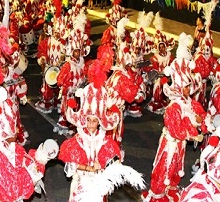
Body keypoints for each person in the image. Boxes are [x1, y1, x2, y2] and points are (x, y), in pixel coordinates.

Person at [59, 58, 145, 202]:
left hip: (98, 188)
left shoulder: (105, 140)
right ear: (83, 120)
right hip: (81, 187)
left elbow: (112, 162)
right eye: (88, 120)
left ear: (100, 122)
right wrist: (89, 168)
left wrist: (110, 169)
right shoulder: (77, 141)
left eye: (95, 121)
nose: (91, 125)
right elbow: (70, 167)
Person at [142, 33, 208, 202]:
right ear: (178, 87)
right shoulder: (173, 106)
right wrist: (193, 133)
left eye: (188, 86)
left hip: (180, 144)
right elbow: (176, 129)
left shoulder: (188, 102)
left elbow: (199, 113)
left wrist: (203, 121)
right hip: (170, 143)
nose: (188, 89)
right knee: (164, 167)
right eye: (185, 87)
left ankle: (171, 188)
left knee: (176, 167)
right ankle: (158, 194)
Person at [0, 103, 58, 201]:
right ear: (4, 133)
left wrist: (37, 158)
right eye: (13, 127)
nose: (17, 130)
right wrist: (35, 170)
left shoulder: (7, 145)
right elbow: (12, 191)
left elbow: (21, 162)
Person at [55, 25, 91, 135]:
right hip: (70, 92)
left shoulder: (82, 63)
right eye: (75, 51)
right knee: (68, 109)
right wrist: (67, 87)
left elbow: (85, 75)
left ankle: (74, 125)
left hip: (79, 92)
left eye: (79, 51)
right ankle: (65, 122)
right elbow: (59, 80)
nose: (77, 53)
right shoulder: (68, 65)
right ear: (72, 52)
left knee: (77, 109)